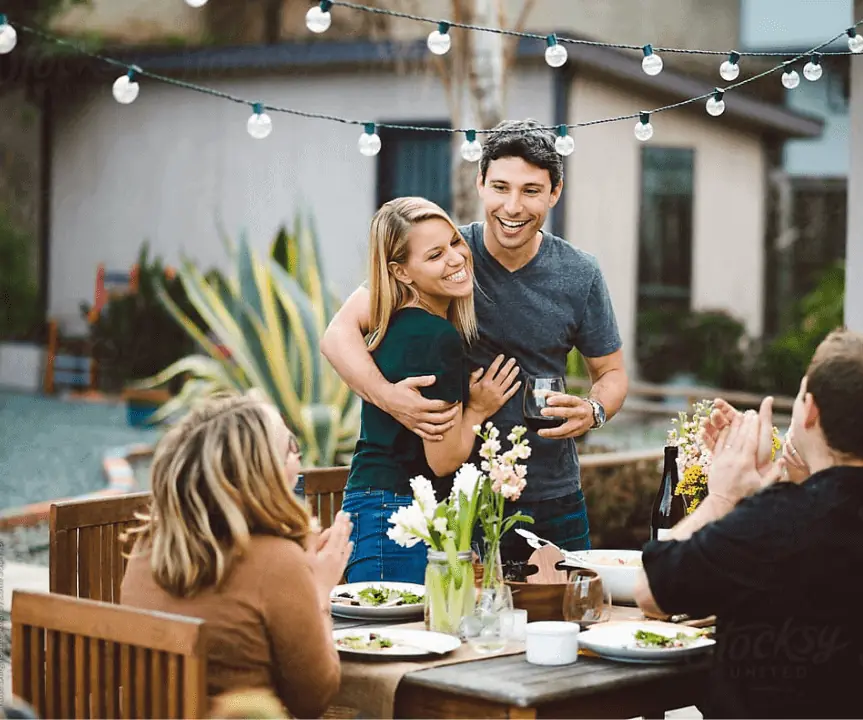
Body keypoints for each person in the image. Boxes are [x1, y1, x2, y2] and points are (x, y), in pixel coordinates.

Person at [322, 120, 628, 562]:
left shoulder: (580, 273)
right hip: (458, 502)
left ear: (554, 194)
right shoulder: (446, 255)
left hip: (552, 495)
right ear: (480, 183)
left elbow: (612, 372)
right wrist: (392, 399)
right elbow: (338, 335)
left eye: (531, 190)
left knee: (568, 618)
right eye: (500, 187)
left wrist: (594, 409)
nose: (513, 205)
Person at [635, 330, 863, 718]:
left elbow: (651, 591)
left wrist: (722, 496)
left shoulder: (774, 520)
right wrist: (767, 489)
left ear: (810, 410)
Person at [120, 393, 349, 719]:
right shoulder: (277, 563)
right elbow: (314, 699)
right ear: (262, 474)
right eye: (290, 448)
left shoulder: (148, 547)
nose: (297, 459)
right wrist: (319, 591)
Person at [342, 197, 519, 583]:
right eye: (435, 254)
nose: (456, 259)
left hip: (372, 504)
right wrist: (478, 409)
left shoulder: (395, 325)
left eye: (455, 243)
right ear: (401, 272)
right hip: (396, 513)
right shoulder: (436, 337)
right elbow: (442, 459)